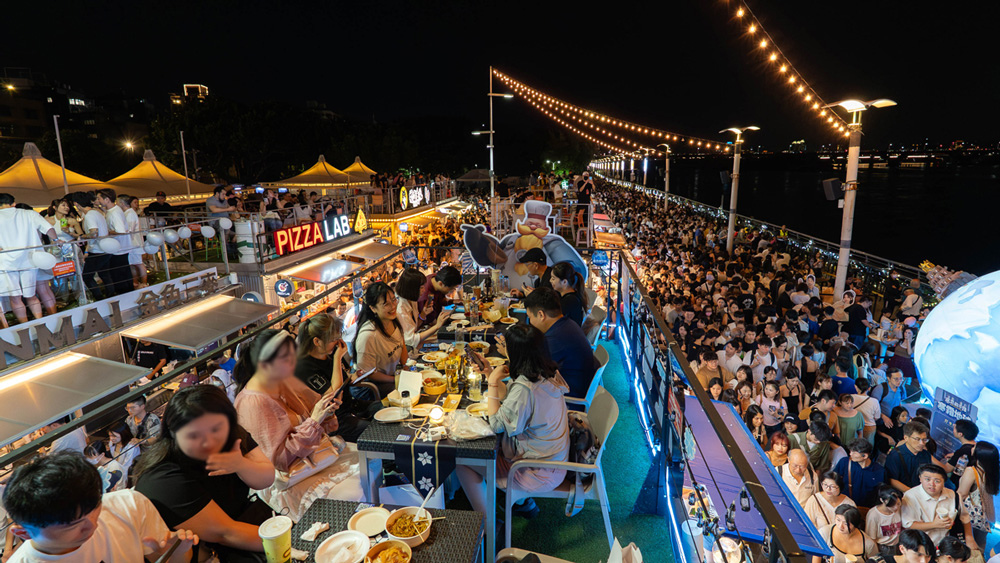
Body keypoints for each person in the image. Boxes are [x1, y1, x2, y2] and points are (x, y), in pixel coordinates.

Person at [134, 385, 276, 563]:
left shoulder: (231, 436)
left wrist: (241, 464)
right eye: (194, 436)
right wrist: (284, 541)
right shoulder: (163, 479)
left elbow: (267, 478)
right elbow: (226, 533)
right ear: (173, 433)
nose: (208, 443)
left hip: (245, 527)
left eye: (216, 429)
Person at [233, 329, 363, 521]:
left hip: (314, 457)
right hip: (290, 478)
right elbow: (279, 460)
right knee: (358, 491)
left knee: (369, 463)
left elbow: (316, 406)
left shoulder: (283, 380)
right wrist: (315, 420)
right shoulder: (253, 403)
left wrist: (326, 410)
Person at [456, 323, 570, 518]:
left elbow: (496, 425)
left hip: (537, 472)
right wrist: (489, 372)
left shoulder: (526, 388)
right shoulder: (547, 372)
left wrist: (493, 382)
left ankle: (488, 524)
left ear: (516, 353)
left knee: (462, 460)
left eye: (505, 346)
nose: (503, 349)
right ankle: (523, 503)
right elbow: (511, 402)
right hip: (554, 461)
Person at [2, 452, 197, 563]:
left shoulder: (128, 504)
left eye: (95, 507)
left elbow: (170, 558)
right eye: (73, 525)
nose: (92, 525)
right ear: (24, 533)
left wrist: (177, 550)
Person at [294, 314, 379, 442]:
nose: (339, 342)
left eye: (339, 337)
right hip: (334, 421)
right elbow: (334, 395)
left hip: (351, 406)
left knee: (386, 409)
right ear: (317, 341)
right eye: (333, 339)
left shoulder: (330, 352)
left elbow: (342, 378)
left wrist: (353, 376)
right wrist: (338, 358)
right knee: (378, 432)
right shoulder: (304, 367)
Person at [523, 287, 598, 399]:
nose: (530, 322)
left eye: (530, 317)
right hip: (576, 386)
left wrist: (510, 352)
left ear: (541, 315)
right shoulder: (567, 324)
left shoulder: (555, 339)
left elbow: (531, 373)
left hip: (568, 398)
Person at [0, 193, 60, 324]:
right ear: (13, 203)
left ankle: (25, 325)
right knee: (31, 296)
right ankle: (40, 323)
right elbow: (49, 229)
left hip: (6, 263)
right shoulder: (29, 214)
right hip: (30, 260)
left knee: (15, 298)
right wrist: (56, 240)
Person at [353, 282, 408, 398]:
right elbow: (369, 374)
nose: (393, 306)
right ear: (373, 308)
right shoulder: (368, 335)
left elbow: (402, 345)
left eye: (393, 300)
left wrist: (407, 369)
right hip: (374, 386)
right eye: (386, 304)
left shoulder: (394, 318)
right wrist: (395, 379)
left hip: (393, 376)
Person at [900, 464, 974, 548]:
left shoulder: (953, 495)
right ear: (920, 478)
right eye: (927, 479)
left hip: (948, 543)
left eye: (937, 481)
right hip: (921, 545)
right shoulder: (910, 496)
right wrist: (934, 524)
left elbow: (965, 517)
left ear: (944, 482)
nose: (932, 484)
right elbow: (909, 525)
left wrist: (969, 538)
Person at [394, 268, 450, 351]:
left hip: (414, 344)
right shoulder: (400, 309)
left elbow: (415, 327)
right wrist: (437, 326)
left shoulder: (412, 300)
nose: (424, 290)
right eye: (421, 288)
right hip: (405, 349)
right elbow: (411, 340)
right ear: (411, 289)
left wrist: (423, 314)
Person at [956, 441, 998, 549]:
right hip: (985, 518)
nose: (972, 447)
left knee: (966, 547)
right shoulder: (990, 472)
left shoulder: (971, 471)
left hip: (970, 518)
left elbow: (961, 494)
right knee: (979, 547)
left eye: (975, 446)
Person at [72, 191, 113, 300]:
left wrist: (82, 236)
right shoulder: (96, 213)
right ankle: (110, 295)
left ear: (77, 204)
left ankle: (99, 297)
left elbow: (94, 233)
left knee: (87, 276)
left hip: (97, 251)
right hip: (104, 249)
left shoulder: (90, 215)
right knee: (104, 274)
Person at [97, 189, 135, 295]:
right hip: (121, 247)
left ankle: (125, 295)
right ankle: (128, 293)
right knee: (124, 273)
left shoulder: (115, 213)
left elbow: (121, 231)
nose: (98, 201)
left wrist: (107, 232)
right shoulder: (114, 210)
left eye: (99, 198)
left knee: (119, 275)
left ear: (107, 199)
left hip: (119, 249)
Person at [835, 438, 887, 510]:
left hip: (867, 509)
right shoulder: (844, 462)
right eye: (850, 451)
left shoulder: (879, 471)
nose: (850, 454)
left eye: (854, 452)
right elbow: (834, 480)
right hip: (846, 507)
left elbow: (881, 493)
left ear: (865, 456)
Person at [885, 420, 934, 492]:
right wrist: (912, 493)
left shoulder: (926, 455)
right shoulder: (895, 455)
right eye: (917, 439)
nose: (922, 443)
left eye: (924, 440)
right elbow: (892, 480)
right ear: (906, 438)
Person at [866, 486, 904, 560]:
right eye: (892, 505)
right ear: (882, 500)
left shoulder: (898, 509)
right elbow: (871, 539)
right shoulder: (873, 515)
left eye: (898, 504)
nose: (896, 507)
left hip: (898, 545)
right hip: (883, 548)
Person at [550, 261, 589, 326]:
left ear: (564, 282)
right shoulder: (570, 298)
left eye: (553, 278)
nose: (550, 281)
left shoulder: (570, 301)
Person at [944, 420, 979, 486]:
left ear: (960, 434)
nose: (953, 429)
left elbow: (947, 469)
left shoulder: (962, 451)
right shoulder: (977, 447)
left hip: (958, 484)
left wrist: (930, 456)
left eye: (954, 427)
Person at [853, 378, 882, 445]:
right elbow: (877, 417)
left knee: (855, 445)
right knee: (868, 446)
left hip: (854, 426)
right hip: (869, 427)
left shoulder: (850, 398)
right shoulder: (874, 401)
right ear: (869, 388)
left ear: (855, 386)